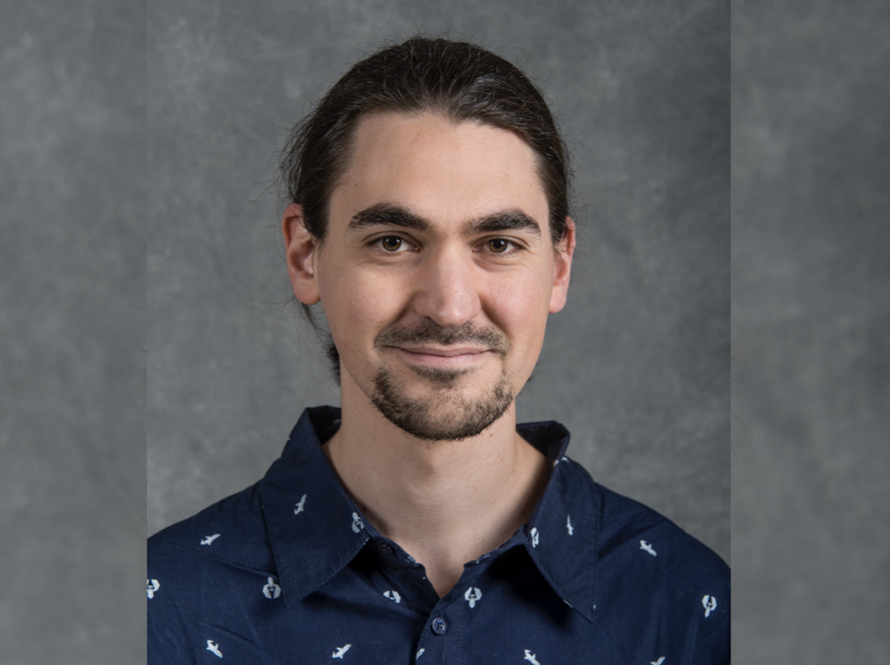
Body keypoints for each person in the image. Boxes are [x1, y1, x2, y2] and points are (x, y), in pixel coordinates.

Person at [148, 37, 729, 664]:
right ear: (305, 255)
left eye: (499, 244)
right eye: (393, 241)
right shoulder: (160, 611)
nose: (450, 308)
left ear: (559, 265)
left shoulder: (691, 607)